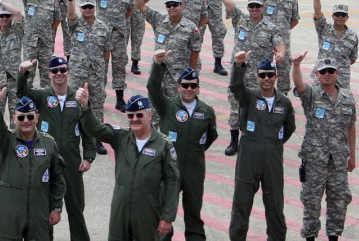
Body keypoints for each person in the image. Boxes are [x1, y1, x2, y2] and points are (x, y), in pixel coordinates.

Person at [75, 87, 179, 241]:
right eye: (130, 115)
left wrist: (168, 216)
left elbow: (172, 181)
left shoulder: (163, 145)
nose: (134, 119)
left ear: (149, 116)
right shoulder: (121, 137)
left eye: (139, 115)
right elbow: (95, 129)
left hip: (148, 210)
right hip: (121, 209)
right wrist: (85, 106)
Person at [206, 0, 285, 156]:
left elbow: (280, 44)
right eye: (252, 6)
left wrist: (281, 53)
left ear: (263, 8)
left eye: (258, 6)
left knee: (259, 108)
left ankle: (256, 140)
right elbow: (226, 1)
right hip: (239, 74)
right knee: (235, 107)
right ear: (248, 8)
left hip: (260, 77)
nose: (254, 9)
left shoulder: (271, 27)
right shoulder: (240, 20)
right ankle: (234, 142)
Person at [17, 57, 93, 240]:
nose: (59, 73)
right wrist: (22, 73)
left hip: (72, 162)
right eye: (54, 71)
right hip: (47, 161)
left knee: (76, 209)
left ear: (69, 72)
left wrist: (88, 157)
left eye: (63, 70)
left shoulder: (78, 97)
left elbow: (88, 128)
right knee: (47, 209)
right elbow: (22, 92)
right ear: (49, 74)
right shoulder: (42, 96)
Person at [146, 50, 218, 241]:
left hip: (195, 170)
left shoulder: (207, 112)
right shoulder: (167, 106)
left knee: (194, 214)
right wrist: (158, 65)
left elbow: (210, 137)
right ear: (178, 87)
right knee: (164, 214)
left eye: (193, 86)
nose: (189, 89)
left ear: (198, 88)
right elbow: (153, 88)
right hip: (169, 170)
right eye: (185, 85)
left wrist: (194, 152)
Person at [228, 52, 295, 241]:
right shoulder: (249, 97)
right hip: (248, 155)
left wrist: (272, 143)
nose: (266, 78)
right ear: (257, 77)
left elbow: (289, 128)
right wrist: (239, 65)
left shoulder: (285, 102)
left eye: (270, 75)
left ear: (276, 77)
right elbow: (235, 86)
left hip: (273, 157)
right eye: (263, 75)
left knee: (275, 204)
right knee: (241, 204)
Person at [291, 53, 356, 241]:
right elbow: (299, 85)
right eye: (322, 71)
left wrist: (352, 156)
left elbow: (351, 126)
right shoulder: (312, 95)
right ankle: (310, 237)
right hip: (315, 161)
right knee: (311, 202)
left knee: (339, 202)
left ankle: (333, 237)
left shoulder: (347, 97)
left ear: (337, 73)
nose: (326, 74)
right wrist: (295, 66)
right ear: (317, 74)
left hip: (338, 161)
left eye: (330, 71)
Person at [0, 90, 66, 241]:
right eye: (21, 117)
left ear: (37, 117)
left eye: (30, 116)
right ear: (14, 119)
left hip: (39, 207)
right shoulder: (6, 141)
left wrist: (56, 207)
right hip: (11, 207)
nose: (26, 121)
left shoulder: (48, 143)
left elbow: (57, 177)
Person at [77, 0, 134, 114]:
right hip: (101, 35)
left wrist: (120, 21)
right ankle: (98, 96)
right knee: (99, 67)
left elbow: (130, 9)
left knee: (119, 66)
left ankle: (119, 98)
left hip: (119, 35)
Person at [65, 0, 112, 155]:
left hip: (96, 73)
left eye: (90, 6)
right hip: (78, 72)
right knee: (73, 103)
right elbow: (71, 15)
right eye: (84, 7)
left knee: (97, 105)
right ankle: (71, 136)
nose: (88, 9)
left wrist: (100, 68)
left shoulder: (103, 27)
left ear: (95, 7)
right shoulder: (75, 24)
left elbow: (107, 52)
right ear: (80, 8)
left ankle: (97, 138)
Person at [132, 0, 201, 99]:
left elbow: (195, 51)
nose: (172, 8)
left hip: (178, 75)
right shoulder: (159, 20)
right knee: (156, 107)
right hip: (158, 73)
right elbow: (142, 6)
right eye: (169, 5)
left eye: (175, 5)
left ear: (181, 6)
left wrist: (190, 73)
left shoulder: (191, 28)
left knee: (177, 108)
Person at [10, 0, 62, 87]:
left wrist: (48, 30)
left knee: (46, 73)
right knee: (28, 72)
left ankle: (45, 100)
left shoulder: (52, 0)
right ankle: (28, 99)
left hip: (46, 42)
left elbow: (57, 18)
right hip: (30, 43)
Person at [249, 0, 299, 92]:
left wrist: (283, 31)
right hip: (265, 39)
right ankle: (261, 94)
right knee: (263, 66)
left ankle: (283, 96)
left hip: (283, 40)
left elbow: (294, 20)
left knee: (284, 68)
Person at [161, 0, 208, 72]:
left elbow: (204, 17)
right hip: (176, 34)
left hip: (192, 34)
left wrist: (195, 29)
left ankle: (192, 75)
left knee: (194, 57)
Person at [312, 0, 357, 89]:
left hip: (342, 77)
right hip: (323, 73)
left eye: (343, 15)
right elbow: (318, 12)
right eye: (337, 15)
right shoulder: (324, 28)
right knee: (318, 100)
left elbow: (352, 59)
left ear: (347, 17)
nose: (340, 17)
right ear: (332, 16)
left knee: (342, 103)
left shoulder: (353, 36)